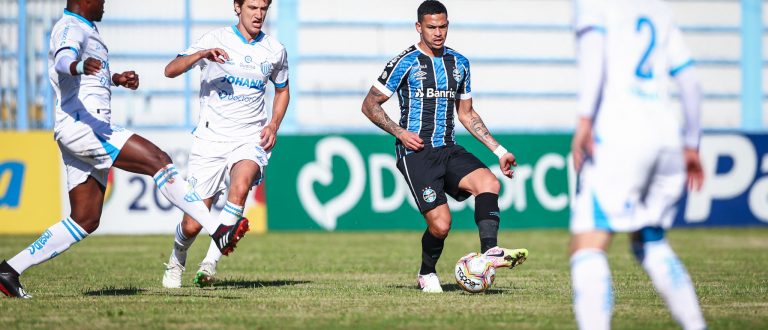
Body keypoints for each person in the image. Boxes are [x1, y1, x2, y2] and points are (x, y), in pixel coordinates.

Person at [0, 0, 250, 299]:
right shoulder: (70, 27)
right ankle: (217, 229)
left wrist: (115, 79)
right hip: (87, 128)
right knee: (159, 161)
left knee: (85, 219)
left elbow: (77, 79)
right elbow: (62, 61)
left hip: (78, 127)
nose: (104, 2)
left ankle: (9, 270)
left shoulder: (85, 28)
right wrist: (78, 65)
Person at [361, 0, 529, 293]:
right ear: (419, 27)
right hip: (416, 152)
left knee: (489, 182)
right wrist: (400, 133)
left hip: (448, 148)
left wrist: (499, 151)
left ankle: (490, 253)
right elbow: (369, 104)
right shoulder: (406, 62)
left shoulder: (459, 63)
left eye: (443, 26)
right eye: (431, 27)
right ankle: (427, 272)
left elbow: (466, 113)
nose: (438, 33)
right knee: (441, 225)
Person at [569, 0, 707, 329]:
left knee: (587, 244)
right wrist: (692, 143)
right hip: (665, 134)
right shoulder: (659, 8)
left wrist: (585, 120)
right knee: (650, 240)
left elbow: (593, 59)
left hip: (620, 132)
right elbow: (690, 80)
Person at [161, 0, 289, 288]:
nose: (258, 14)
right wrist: (202, 54)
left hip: (249, 138)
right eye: (252, 7)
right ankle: (176, 258)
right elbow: (170, 70)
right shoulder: (214, 39)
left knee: (241, 186)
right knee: (192, 224)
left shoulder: (275, 50)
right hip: (211, 138)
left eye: (263, 9)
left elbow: (282, 90)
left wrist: (273, 125)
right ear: (237, 7)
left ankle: (209, 264)